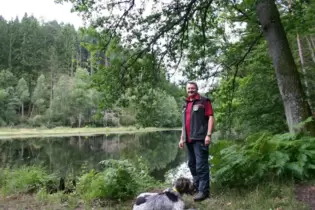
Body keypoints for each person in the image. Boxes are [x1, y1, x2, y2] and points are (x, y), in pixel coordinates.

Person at [178, 81, 214, 202]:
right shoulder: (185, 104)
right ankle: (197, 187)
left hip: (200, 139)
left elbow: (210, 117)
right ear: (186, 90)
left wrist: (208, 135)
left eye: (192, 88)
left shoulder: (204, 101)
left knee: (201, 165)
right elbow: (184, 124)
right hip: (188, 139)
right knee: (192, 164)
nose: (190, 90)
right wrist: (182, 138)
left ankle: (204, 191)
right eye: (188, 88)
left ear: (196, 89)